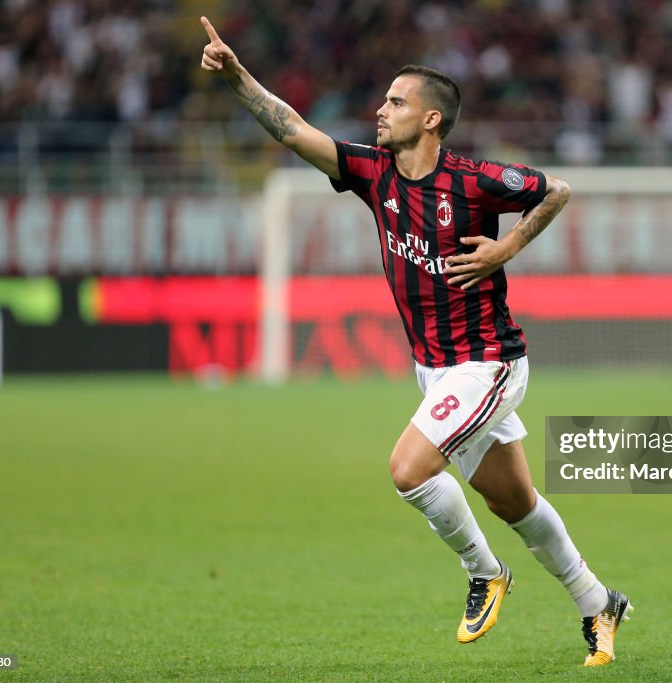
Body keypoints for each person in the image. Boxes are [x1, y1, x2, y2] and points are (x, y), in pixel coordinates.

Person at [199, 16, 632, 667]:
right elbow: (293, 129)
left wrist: (506, 245)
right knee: (512, 500)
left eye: (396, 101)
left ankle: (484, 572)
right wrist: (237, 79)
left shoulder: (474, 181)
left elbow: (556, 189)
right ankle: (599, 600)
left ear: (431, 119)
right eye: (384, 99)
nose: (381, 109)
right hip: (435, 370)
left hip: (488, 362)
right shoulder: (375, 175)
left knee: (407, 468)